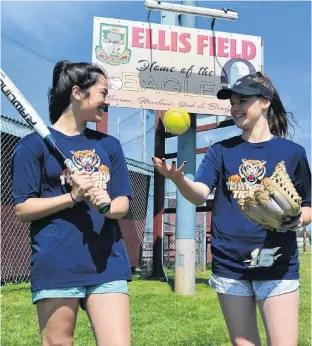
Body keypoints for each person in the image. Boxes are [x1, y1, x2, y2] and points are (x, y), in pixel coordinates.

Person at [152, 72, 311, 346]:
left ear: (264, 102)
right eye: (233, 102)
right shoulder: (221, 151)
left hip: (277, 262)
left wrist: (293, 218)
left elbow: (308, 207)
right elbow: (199, 194)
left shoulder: (292, 152)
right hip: (231, 265)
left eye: (243, 101)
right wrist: (179, 180)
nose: (235, 107)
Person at [11, 61, 133, 346]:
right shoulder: (32, 146)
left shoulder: (109, 146)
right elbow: (22, 209)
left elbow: (122, 204)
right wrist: (72, 197)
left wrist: (105, 205)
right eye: (102, 93)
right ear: (78, 93)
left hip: (107, 263)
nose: (107, 101)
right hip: (57, 262)